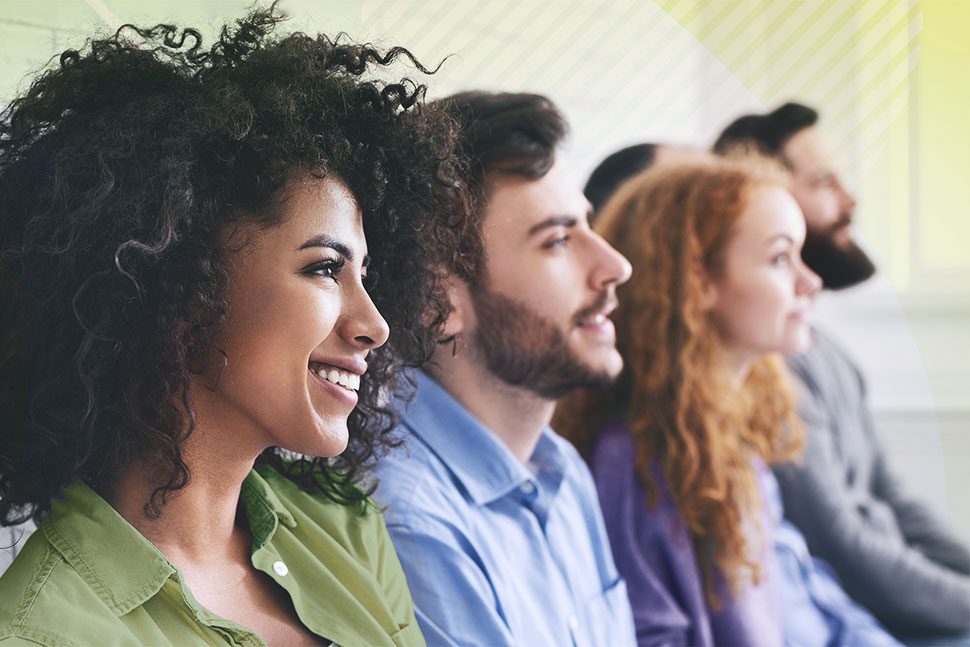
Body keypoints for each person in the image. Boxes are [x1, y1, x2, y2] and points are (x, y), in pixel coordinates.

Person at [0, 8, 476, 645]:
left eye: (366, 274)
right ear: (180, 285)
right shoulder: (44, 632)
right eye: (326, 268)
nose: (374, 326)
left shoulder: (348, 529)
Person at [557, 157, 907, 646]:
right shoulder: (634, 462)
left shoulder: (734, 429)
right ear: (698, 282)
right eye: (780, 258)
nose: (811, 282)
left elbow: (813, 591)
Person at [372, 91, 638, 647]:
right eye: (558, 240)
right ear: (435, 299)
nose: (615, 266)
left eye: (587, 225)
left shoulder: (560, 468)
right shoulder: (411, 522)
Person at [715, 103, 970, 641]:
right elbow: (842, 545)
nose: (848, 200)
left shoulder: (827, 351)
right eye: (825, 182)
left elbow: (893, 500)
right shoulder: (765, 371)